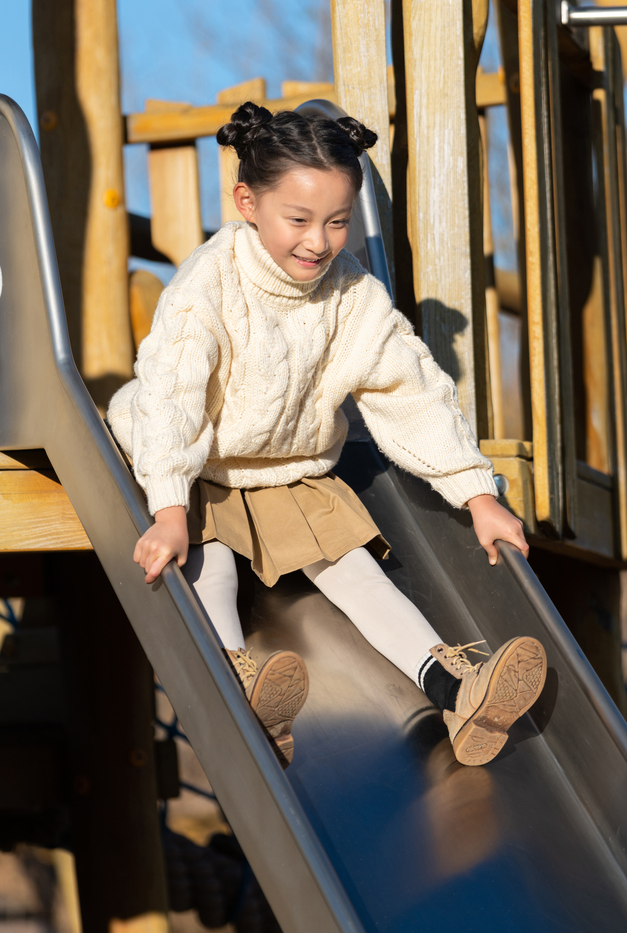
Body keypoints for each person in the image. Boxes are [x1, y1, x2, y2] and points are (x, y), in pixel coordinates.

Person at [108, 102, 546, 769]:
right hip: (191, 458)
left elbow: (411, 393)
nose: (317, 240)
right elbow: (172, 398)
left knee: (357, 571)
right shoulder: (210, 284)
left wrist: (476, 495)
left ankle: (458, 689)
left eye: (337, 222)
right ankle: (239, 685)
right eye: (298, 220)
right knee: (208, 558)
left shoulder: (352, 296)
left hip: (285, 466)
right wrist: (167, 510)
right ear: (247, 202)